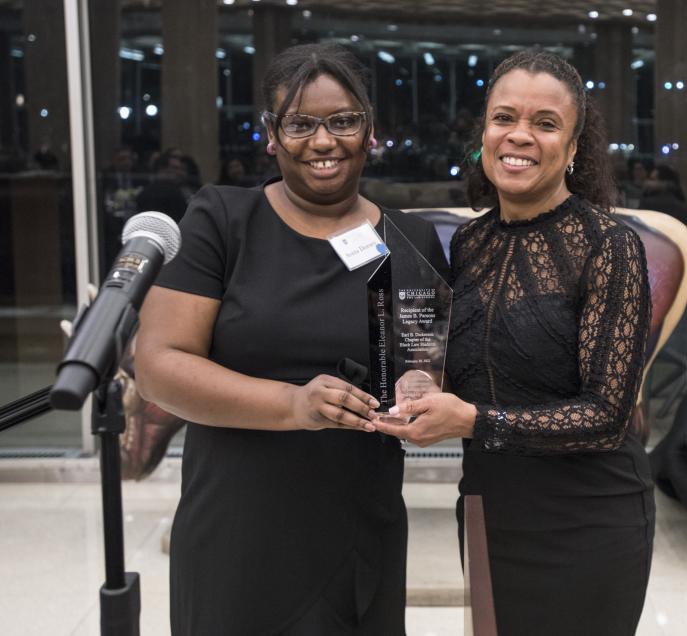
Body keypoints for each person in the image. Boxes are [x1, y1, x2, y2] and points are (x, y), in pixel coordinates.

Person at [135, 43, 448, 636]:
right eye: (300, 123)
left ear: (370, 130)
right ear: (272, 134)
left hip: (361, 524)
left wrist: (420, 384)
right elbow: (158, 366)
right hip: (240, 529)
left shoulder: (411, 240)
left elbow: (425, 363)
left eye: (343, 121)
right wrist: (292, 404)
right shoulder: (224, 221)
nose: (324, 141)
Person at [374, 50, 654, 635]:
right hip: (488, 506)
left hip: (590, 519)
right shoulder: (469, 243)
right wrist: (424, 383)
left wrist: (473, 420)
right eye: (504, 118)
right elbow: (467, 365)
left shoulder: (610, 246)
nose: (519, 135)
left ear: (573, 149)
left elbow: (607, 415)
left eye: (545, 123)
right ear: (484, 133)